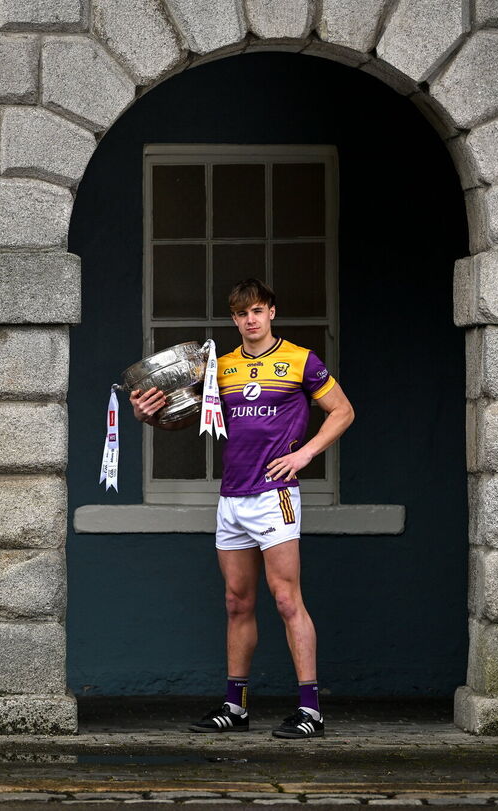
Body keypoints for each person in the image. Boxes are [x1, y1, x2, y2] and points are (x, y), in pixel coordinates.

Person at [130, 278, 354, 739]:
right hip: (232, 497)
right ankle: (236, 706)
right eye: (241, 313)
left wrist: (304, 454)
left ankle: (310, 710)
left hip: (276, 495)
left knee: (287, 599)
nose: (250, 319)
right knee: (237, 602)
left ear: (271, 311)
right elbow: (181, 418)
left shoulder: (300, 360)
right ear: (234, 319)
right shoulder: (221, 367)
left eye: (257, 310)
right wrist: (147, 414)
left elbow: (342, 411)